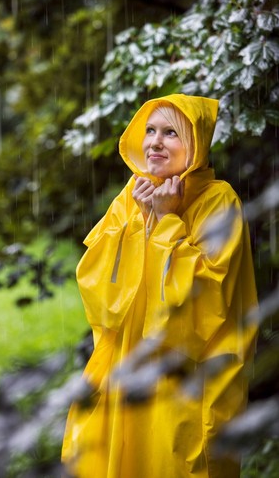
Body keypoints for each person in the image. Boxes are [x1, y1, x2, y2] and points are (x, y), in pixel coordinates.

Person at [61, 94, 258, 477]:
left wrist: (166, 222)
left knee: (176, 461)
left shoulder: (219, 201)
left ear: (196, 145)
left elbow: (204, 302)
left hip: (189, 375)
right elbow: (101, 289)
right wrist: (142, 217)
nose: (154, 141)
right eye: (150, 130)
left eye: (171, 133)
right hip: (128, 365)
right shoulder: (134, 194)